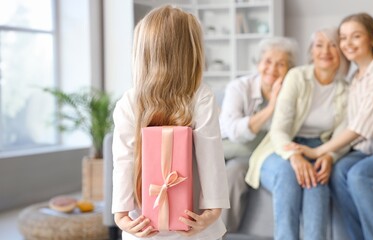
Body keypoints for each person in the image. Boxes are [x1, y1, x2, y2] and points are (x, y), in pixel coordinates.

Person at [286, 13, 373, 240]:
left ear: (371, 38)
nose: (347, 44)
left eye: (356, 36)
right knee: (339, 172)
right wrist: (330, 156)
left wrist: (318, 151)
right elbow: (347, 124)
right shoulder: (355, 77)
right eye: (343, 38)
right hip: (368, 150)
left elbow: (361, 126)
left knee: (361, 176)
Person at [111, 6, 229, 240]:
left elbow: (123, 161)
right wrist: (212, 211)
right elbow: (211, 157)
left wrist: (121, 215)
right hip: (194, 225)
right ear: (191, 52)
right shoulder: (200, 96)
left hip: (143, 225)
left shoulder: (129, 101)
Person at [245, 28, 350, 240]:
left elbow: (344, 133)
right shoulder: (296, 77)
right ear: (311, 52)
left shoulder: (347, 90)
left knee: (317, 184)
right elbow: (279, 129)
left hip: (320, 150)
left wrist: (330, 157)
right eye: (319, 45)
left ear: (341, 53)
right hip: (282, 147)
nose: (325, 51)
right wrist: (294, 156)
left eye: (332, 45)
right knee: (287, 174)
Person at [218, 37, 298, 232]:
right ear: (258, 64)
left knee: (235, 172)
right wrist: (270, 108)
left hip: (258, 154)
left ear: (289, 69)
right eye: (268, 61)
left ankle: (221, 234)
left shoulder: (292, 92)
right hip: (226, 145)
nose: (272, 68)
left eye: (281, 64)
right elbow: (235, 132)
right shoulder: (239, 87)